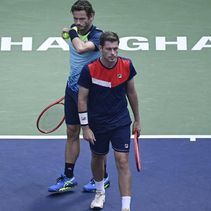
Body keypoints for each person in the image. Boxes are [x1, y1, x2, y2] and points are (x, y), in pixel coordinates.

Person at [48, 0, 110, 193]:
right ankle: (68, 177)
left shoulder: (98, 36)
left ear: (91, 17)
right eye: (75, 18)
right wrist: (70, 33)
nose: (79, 22)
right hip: (72, 90)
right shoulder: (73, 34)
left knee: (93, 137)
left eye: (82, 18)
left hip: (91, 95)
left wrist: (72, 31)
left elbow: (81, 48)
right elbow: (74, 48)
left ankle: (103, 177)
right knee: (72, 132)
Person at [78, 31, 141, 211]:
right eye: (109, 49)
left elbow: (132, 93)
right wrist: (85, 127)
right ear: (100, 49)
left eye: (115, 49)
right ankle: (100, 192)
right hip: (97, 122)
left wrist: (137, 119)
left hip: (120, 120)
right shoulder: (89, 69)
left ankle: (126, 207)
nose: (113, 53)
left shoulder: (126, 65)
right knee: (98, 158)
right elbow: (82, 98)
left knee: (122, 161)